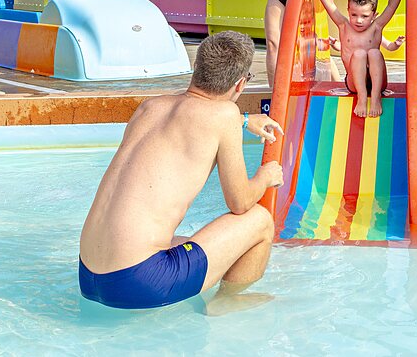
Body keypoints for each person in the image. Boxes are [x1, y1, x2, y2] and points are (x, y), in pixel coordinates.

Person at [79, 31, 285, 313]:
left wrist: (246, 119)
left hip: (90, 277)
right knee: (259, 221)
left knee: (185, 242)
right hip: (140, 284)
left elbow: (190, 114)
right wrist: (266, 175)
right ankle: (226, 302)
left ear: (196, 69)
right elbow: (240, 203)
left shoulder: (149, 108)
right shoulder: (223, 115)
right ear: (240, 84)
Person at [306, 0, 410, 118]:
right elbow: (330, 4)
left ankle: (375, 98)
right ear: (348, 11)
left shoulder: (377, 27)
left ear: (374, 15)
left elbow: (391, 5)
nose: (358, 20)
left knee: (374, 53)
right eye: (354, 15)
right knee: (359, 54)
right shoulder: (344, 26)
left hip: (377, 82)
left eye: (365, 16)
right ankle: (362, 97)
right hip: (354, 82)